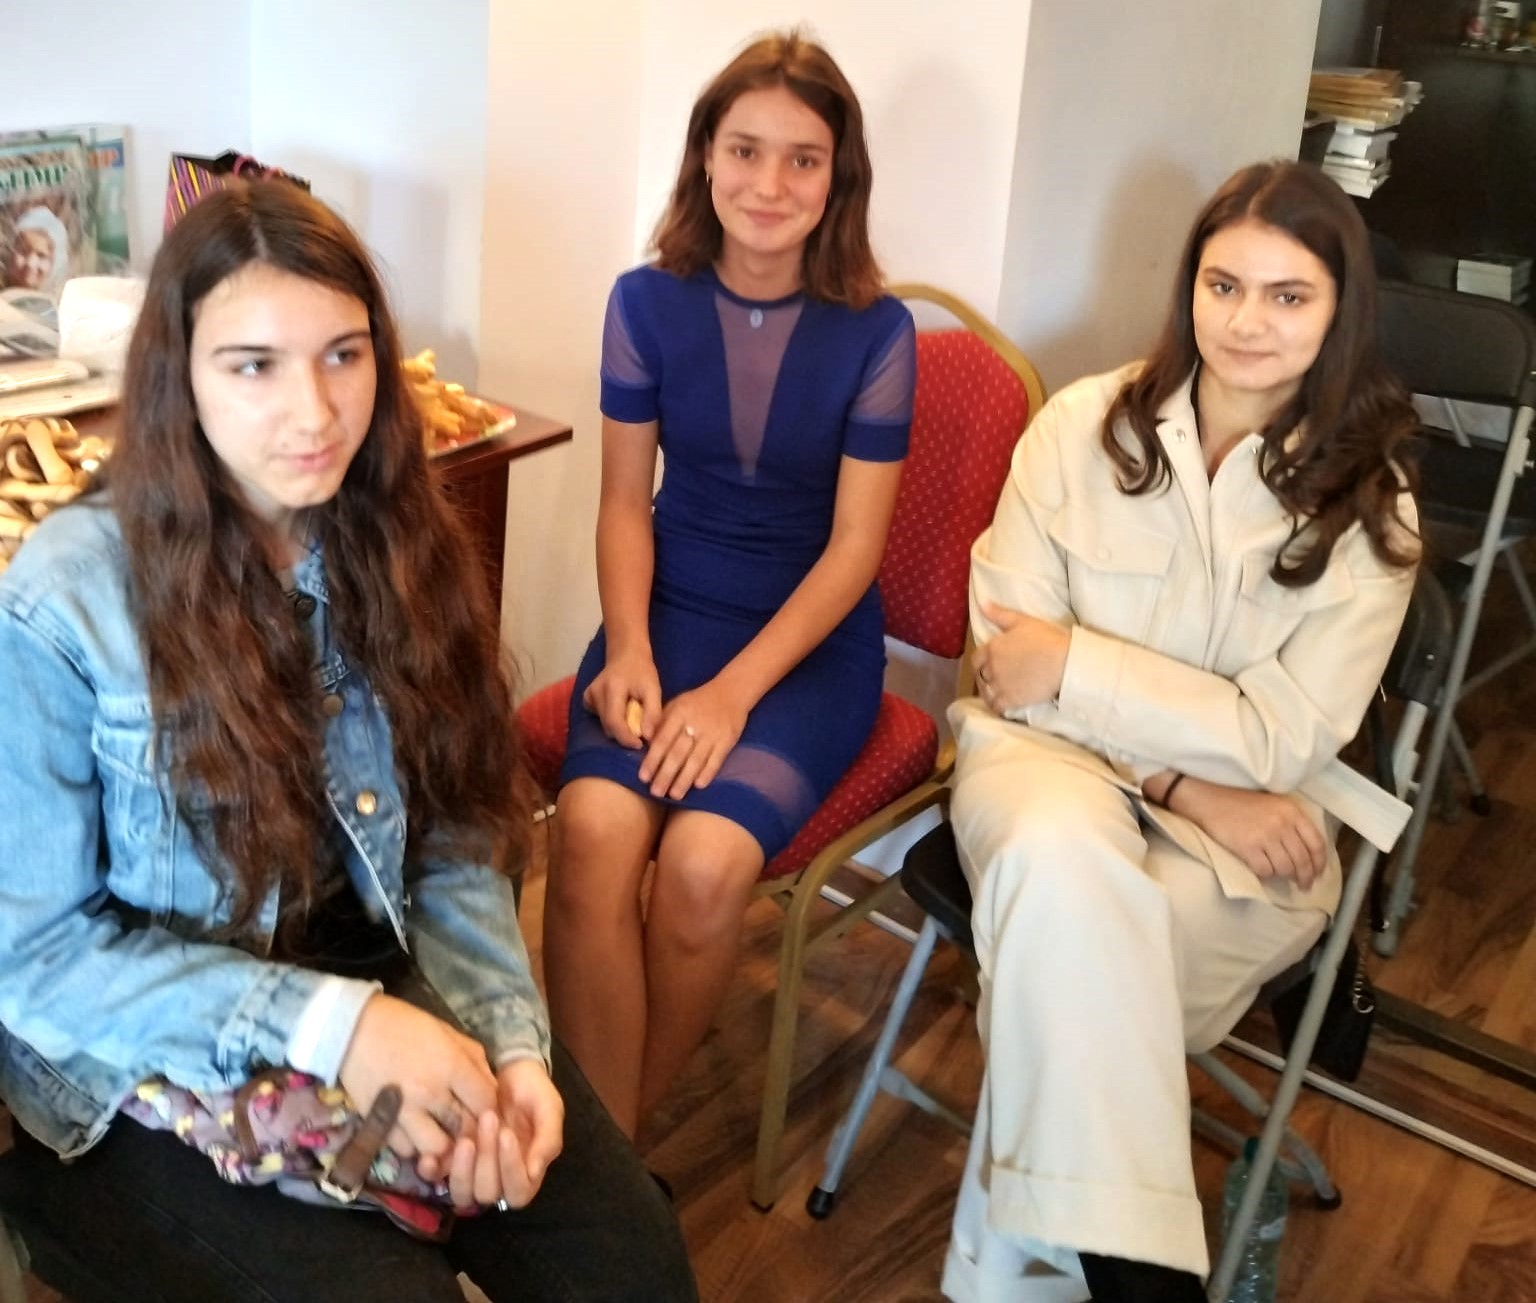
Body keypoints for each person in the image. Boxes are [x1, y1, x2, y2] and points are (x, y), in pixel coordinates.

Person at [0, 181, 695, 1303]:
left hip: (380, 971)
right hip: (133, 1067)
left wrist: (510, 1047)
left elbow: (455, 839)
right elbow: (32, 959)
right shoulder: (64, 601)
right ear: (179, 377)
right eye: (255, 365)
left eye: (343, 354)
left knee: (630, 1264)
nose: (315, 411)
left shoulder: (398, 535)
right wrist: (337, 1028)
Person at [942, 161, 1420, 1303]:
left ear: (1340, 310)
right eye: (1223, 285)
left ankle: (1025, 1284)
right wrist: (1182, 777)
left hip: (1255, 834)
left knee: (1061, 955)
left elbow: (1280, 738)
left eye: (1288, 295)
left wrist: (1080, 667)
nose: (1247, 321)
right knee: (1063, 873)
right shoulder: (1082, 428)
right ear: (1188, 288)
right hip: (1049, 768)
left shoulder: (1371, 505)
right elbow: (1009, 665)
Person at [542, 29, 915, 1139]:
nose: (769, 184)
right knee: (592, 832)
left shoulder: (880, 332)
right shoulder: (642, 302)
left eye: (803, 159)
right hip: (663, 618)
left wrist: (730, 697)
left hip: (806, 651)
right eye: (745, 150)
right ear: (706, 154)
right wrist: (630, 647)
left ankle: (603, 1162)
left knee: (703, 867)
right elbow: (625, 502)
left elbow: (854, 551)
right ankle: (596, 1169)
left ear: (838, 177)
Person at [5, 205, 67, 293]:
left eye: (41, 256)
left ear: (55, 262)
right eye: (24, 252)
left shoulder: (65, 298)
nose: (30, 263)